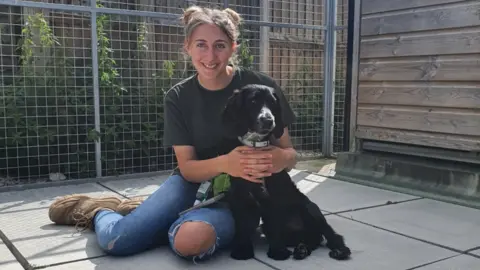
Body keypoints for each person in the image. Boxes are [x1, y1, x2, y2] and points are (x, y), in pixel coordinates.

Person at [48, 5, 298, 262]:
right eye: (201, 44)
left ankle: (151, 216)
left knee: (190, 242)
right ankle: (101, 211)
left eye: (220, 45)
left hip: (241, 195)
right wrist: (227, 163)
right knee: (118, 241)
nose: (210, 55)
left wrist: (281, 159)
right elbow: (188, 168)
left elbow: (290, 153)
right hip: (192, 183)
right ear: (187, 47)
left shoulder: (263, 87)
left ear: (234, 47)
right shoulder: (178, 97)